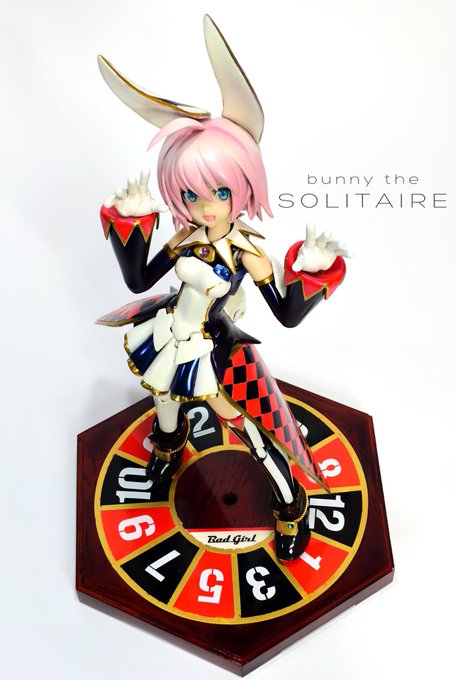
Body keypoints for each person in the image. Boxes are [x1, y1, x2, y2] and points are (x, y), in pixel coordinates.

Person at [97, 16, 351, 562]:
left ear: (243, 185)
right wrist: (131, 223)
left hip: (216, 348)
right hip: (172, 330)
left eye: (218, 191)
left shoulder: (247, 252)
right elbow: (140, 279)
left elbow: (285, 314)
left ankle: (290, 503)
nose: (206, 206)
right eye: (191, 195)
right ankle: (170, 446)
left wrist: (311, 272)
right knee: (163, 395)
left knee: (249, 429)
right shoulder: (185, 237)